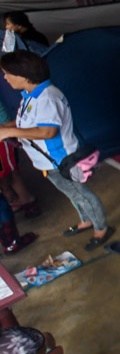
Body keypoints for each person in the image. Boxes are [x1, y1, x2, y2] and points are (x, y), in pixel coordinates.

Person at [0, 51, 111, 251]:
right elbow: (25, 122)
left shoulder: (47, 98)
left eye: (7, 73)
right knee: (72, 194)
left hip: (60, 160)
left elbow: (48, 131)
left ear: (24, 76)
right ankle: (86, 220)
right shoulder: (30, 95)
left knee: (82, 194)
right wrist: (6, 128)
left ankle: (101, 229)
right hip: (47, 162)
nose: (5, 78)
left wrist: (9, 131)